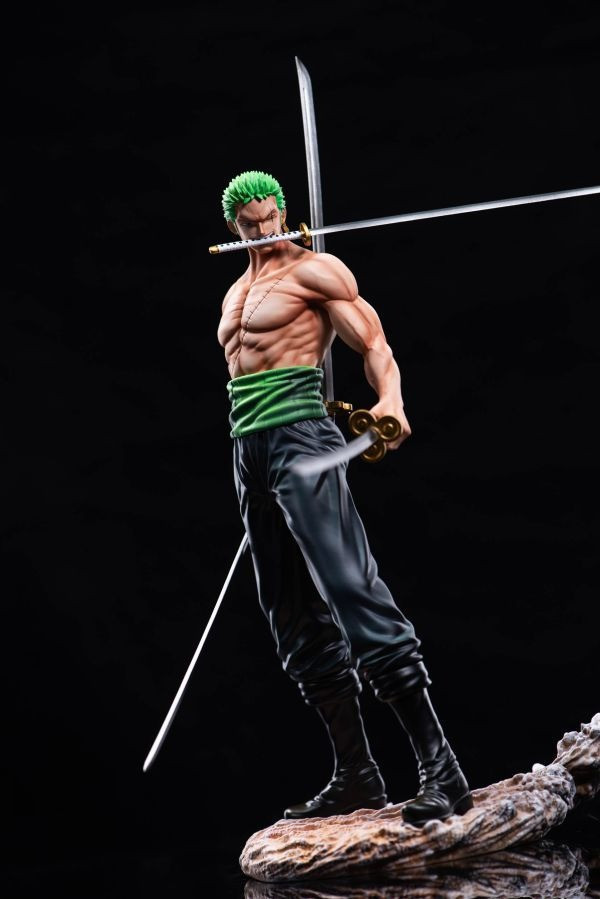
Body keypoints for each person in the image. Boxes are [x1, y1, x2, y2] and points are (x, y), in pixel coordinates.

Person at [217, 170, 472, 826]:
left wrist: (391, 400)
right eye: (251, 224)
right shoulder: (235, 293)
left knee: (351, 591)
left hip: (302, 440)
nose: (264, 230)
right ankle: (358, 774)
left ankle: (442, 769)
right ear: (233, 227)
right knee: (290, 614)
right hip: (249, 450)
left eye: (271, 217)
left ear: (284, 211)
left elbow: (374, 341)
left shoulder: (315, 270)